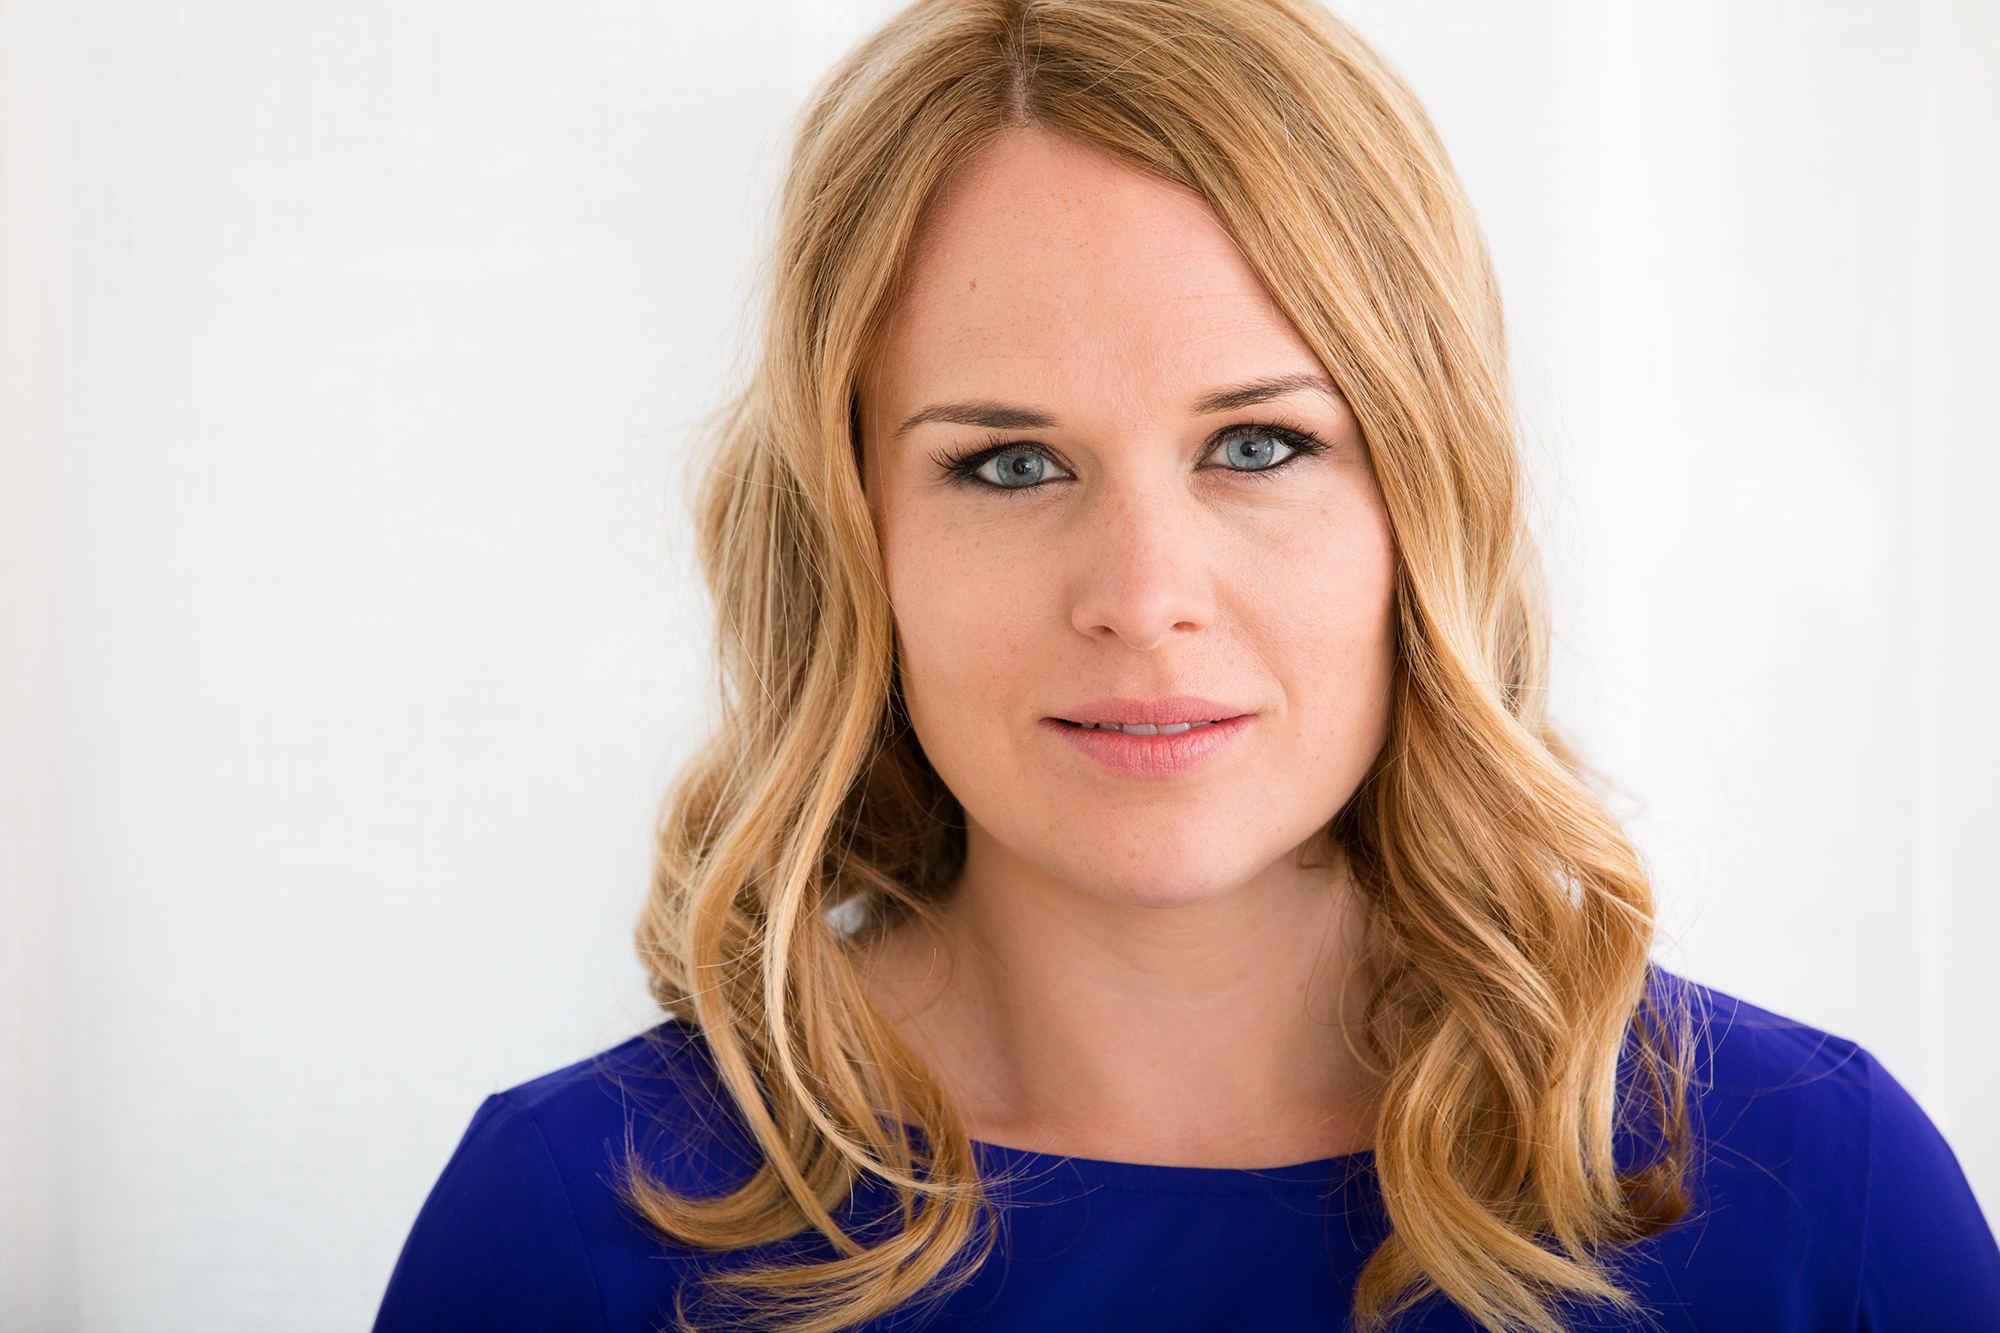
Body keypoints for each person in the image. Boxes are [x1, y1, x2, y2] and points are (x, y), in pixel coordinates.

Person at [373, 1, 2000, 1329]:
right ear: (851, 533)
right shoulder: (573, 1229)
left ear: (1428, 498)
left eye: (1260, 444)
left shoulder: (1819, 1199)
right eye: (1010, 463)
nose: (1145, 599)